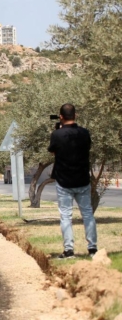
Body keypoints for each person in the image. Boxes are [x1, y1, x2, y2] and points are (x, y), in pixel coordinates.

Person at [48, 103, 97, 259]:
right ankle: (92, 248)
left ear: (61, 117)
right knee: (87, 213)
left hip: (64, 181)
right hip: (82, 179)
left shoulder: (57, 135)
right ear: (75, 115)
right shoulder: (84, 133)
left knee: (66, 216)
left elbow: (54, 152)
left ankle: (69, 250)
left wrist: (58, 130)